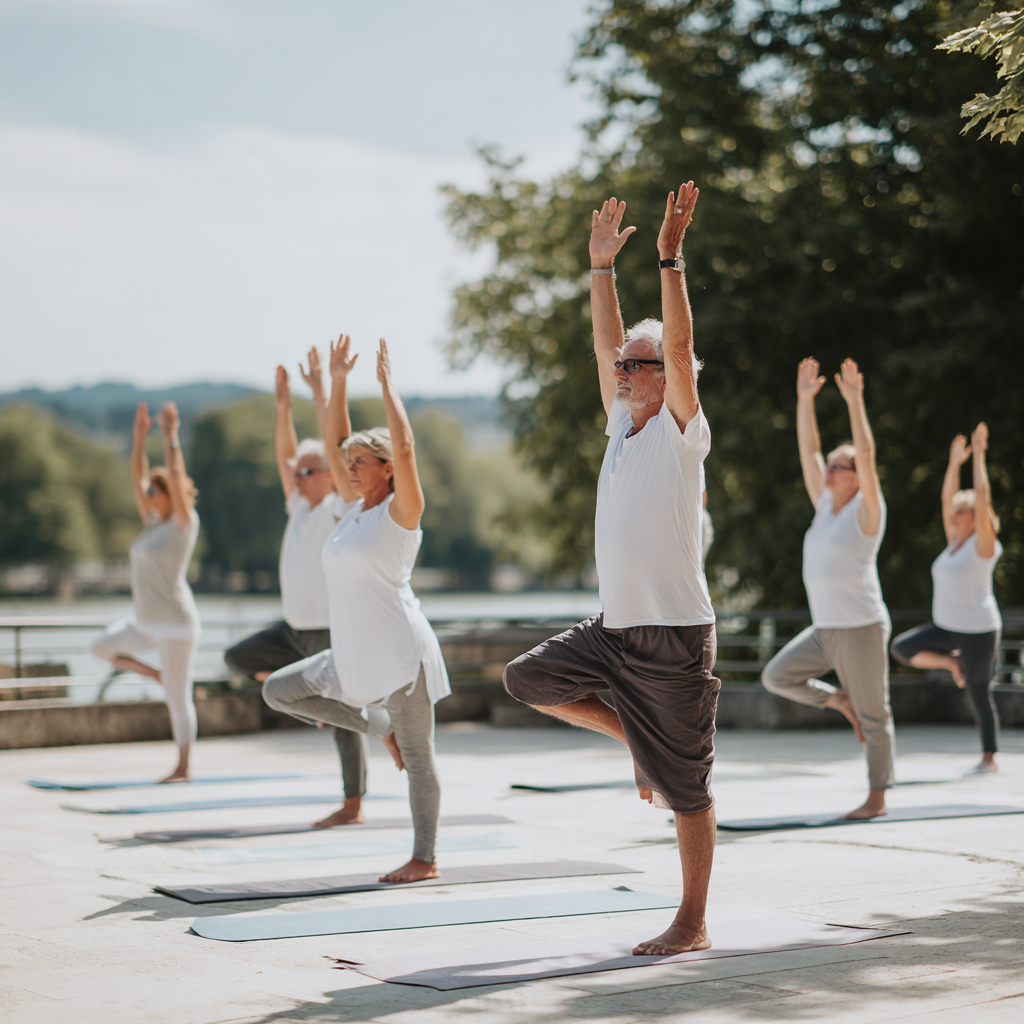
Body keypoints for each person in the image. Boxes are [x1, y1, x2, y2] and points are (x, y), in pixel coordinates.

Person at [504, 182, 718, 957]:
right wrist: (600, 269)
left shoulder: (680, 431)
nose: (622, 369)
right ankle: (634, 734)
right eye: (622, 362)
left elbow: (680, 347)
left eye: (637, 363)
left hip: (673, 635)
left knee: (686, 790)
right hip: (614, 630)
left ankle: (691, 921)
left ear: (666, 376)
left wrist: (668, 258)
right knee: (527, 680)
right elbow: (603, 344)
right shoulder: (619, 429)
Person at [263, 334, 450, 883]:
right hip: (350, 652)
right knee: (278, 690)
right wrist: (338, 382)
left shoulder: (401, 513)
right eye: (346, 463)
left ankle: (425, 859)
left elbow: (406, 448)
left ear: (386, 468)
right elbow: (334, 437)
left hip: (401, 654)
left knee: (419, 759)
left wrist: (387, 386)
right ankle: (379, 727)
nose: (348, 469)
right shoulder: (350, 512)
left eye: (360, 463)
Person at [224, 349, 369, 825]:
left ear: (330, 474)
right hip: (291, 630)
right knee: (238, 658)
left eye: (308, 471)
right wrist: (283, 408)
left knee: (345, 722)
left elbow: (335, 443)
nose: (298, 477)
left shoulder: (336, 508)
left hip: (326, 630)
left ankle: (353, 805)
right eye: (297, 473)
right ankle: (315, 704)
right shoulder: (300, 507)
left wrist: (322, 390)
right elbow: (284, 454)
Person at [761, 357, 895, 819]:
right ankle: (839, 700)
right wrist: (804, 401)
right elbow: (809, 450)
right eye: (831, 466)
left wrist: (855, 402)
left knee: (875, 714)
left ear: (857, 477)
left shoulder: (867, 512)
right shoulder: (824, 506)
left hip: (860, 627)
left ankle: (877, 798)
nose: (830, 470)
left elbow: (868, 455)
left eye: (840, 466)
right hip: (825, 629)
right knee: (777, 676)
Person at [91, 402, 200, 782]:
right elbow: (137, 476)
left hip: (175, 624)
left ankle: (183, 767)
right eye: (149, 490)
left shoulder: (183, 524)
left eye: (156, 489)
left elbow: (176, 474)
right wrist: (138, 438)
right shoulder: (153, 524)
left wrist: (170, 437)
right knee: (101, 647)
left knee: (178, 698)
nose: (149, 493)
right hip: (145, 623)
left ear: (171, 493)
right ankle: (156, 673)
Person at [891, 423, 1002, 772]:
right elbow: (945, 500)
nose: (953, 516)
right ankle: (954, 663)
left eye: (961, 512)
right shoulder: (954, 543)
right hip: (946, 626)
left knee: (978, 690)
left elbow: (982, 496)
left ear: (976, 517)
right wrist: (954, 462)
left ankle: (989, 756)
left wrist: (979, 456)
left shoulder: (984, 546)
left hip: (978, 629)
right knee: (902, 648)